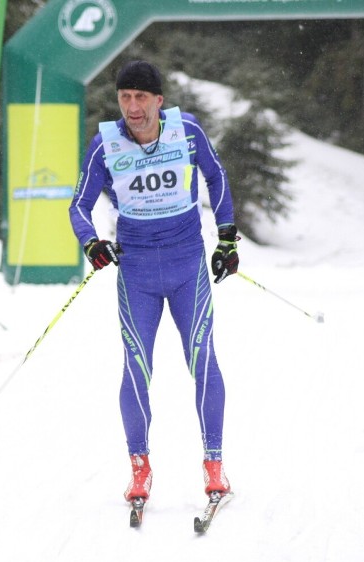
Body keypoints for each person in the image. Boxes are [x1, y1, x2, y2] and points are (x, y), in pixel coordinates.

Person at [68, 60, 239, 505]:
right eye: (125, 97)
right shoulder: (105, 146)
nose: (132, 106)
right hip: (138, 272)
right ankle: (139, 468)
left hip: (187, 267)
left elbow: (216, 176)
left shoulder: (186, 130)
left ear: (159, 101)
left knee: (202, 359)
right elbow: (79, 207)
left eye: (141, 97)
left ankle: (214, 463)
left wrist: (226, 239)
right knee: (136, 367)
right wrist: (91, 243)